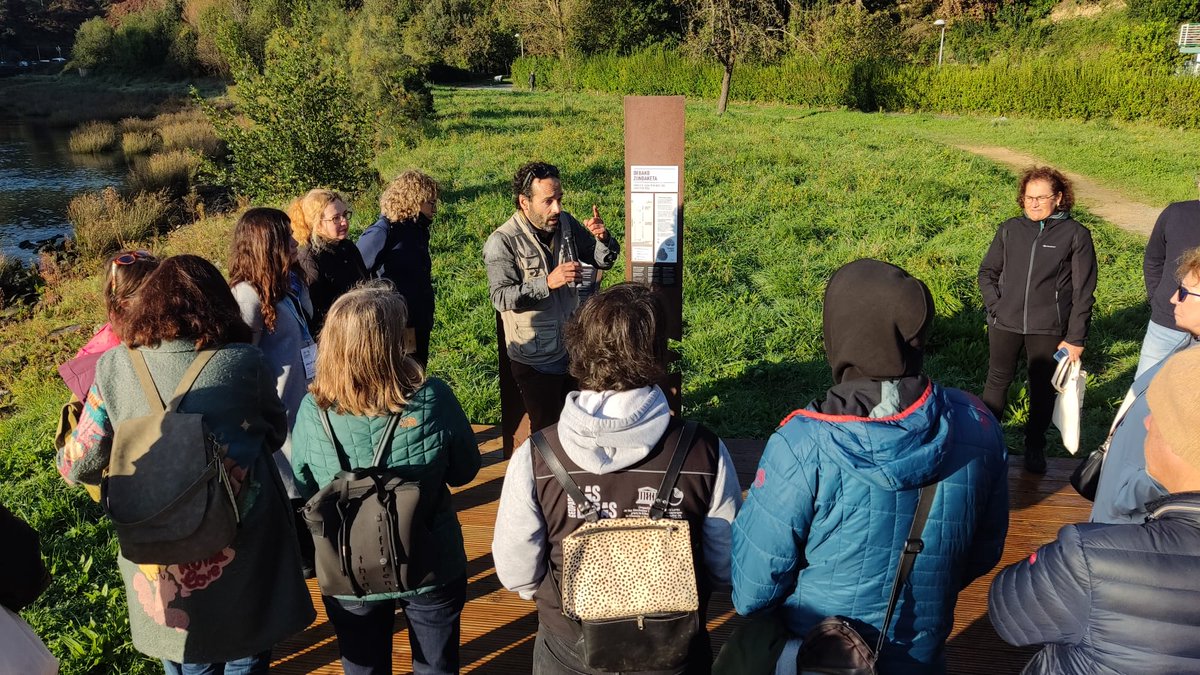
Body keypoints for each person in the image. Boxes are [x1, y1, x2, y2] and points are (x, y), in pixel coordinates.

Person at [728, 259, 1009, 674]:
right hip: (920, 657)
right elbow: (983, 552)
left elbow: (752, 591)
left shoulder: (802, 443)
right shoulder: (978, 424)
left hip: (818, 655)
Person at [57, 254, 315, 674]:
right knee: (247, 649)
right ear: (219, 303)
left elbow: (79, 463)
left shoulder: (114, 366)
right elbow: (274, 432)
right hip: (240, 540)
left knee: (188, 653)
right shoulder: (243, 362)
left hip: (160, 547)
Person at [493, 282, 742, 675]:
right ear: (656, 352)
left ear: (579, 348)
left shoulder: (538, 456)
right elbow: (726, 564)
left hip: (568, 650)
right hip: (673, 650)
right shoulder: (703, 451)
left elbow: (517, 573)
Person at [291, 283, 480, 675]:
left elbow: (306, 484)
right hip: (429, 554)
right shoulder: (432, 397)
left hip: (347, 561)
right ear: (391, 344)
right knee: (437, 666)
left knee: (363, 666)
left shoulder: (313, 409)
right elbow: (465, 471)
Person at [989, 346, 1200, 674]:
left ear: (1182, 444)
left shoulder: (1089, 559)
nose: (1146, 422)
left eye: (1157, 415)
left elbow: (1007, 612)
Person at [483, 161, 620, 433]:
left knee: (579, 428)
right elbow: (500, 297)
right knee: (547, 433)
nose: (557, 208)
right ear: (524, 202)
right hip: (536, 361)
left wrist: (603, 239)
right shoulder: (502, 241)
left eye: (559, 199)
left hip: (573, 350)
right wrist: (547, 283)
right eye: (548, 201)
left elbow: (600, 260)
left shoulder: (566, 223)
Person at [978, 166, 1097, 474]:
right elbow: (987, 272)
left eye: (1041, 198)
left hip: (1048, 326)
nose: (1033, 204)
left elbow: (1084, 292)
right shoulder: (1009, 229)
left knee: (1041, 389)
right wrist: (996, 307)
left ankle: (1034, 446)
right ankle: (985, 443)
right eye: (1028, 197)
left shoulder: (1076, 235)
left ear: (1058, 198)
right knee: (997, 381)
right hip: (1004, 323)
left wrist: (1076, 337)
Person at [1092, 246, 1200, 524]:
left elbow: (1185, 467)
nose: (1173, 298)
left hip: (1138, 520)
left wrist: (1129, 495)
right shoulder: (1187, 346)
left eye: (1184, 293)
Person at [357, 171, 439, 367]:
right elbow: (356, 273)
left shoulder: (418, 230)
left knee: (416, 370)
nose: (435, 209)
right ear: (414, 200)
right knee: (399, 373)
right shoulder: (383, 231)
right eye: (431, 203)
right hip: (394, 322)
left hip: (417, 320)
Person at [1135, 182, 1200, 378]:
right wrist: (1157, 299)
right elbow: (1153, 259)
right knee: (1144, 385)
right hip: (1165, 323)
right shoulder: (1176, 213)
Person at [288, 188, 368, 336]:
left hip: (361, 327)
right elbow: (316, 311)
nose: (344, 222)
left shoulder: (348, 247)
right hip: (336, 335)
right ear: (317, 223)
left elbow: (366, 282)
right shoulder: (309, 258)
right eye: (335, 218)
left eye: (345, 214)